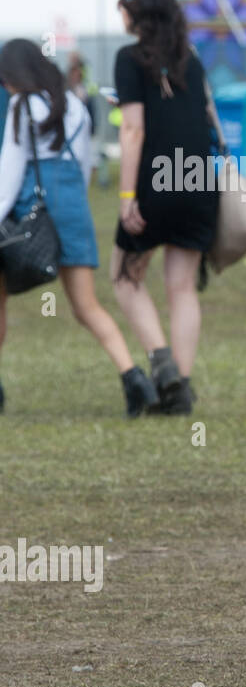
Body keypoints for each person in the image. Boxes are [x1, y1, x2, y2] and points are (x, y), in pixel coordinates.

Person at [0, 39, 156, 416]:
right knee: (87, 307)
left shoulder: (22, 105)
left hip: (30, 213)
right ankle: (135, 379)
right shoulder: (74, 104)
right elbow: (85, 163)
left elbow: (10, 171)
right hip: (73, 209)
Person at [110, 0, 219, 415]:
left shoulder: (128, 59)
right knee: (182, 287)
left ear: (137, 14)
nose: (119, 12)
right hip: (197, 181)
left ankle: (162, 363)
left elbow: (133, 129)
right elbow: (208, 115)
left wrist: (126, 194)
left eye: (123, 5)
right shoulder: (189, 58)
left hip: (155, 181)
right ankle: (182, 389)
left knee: (123, 277)